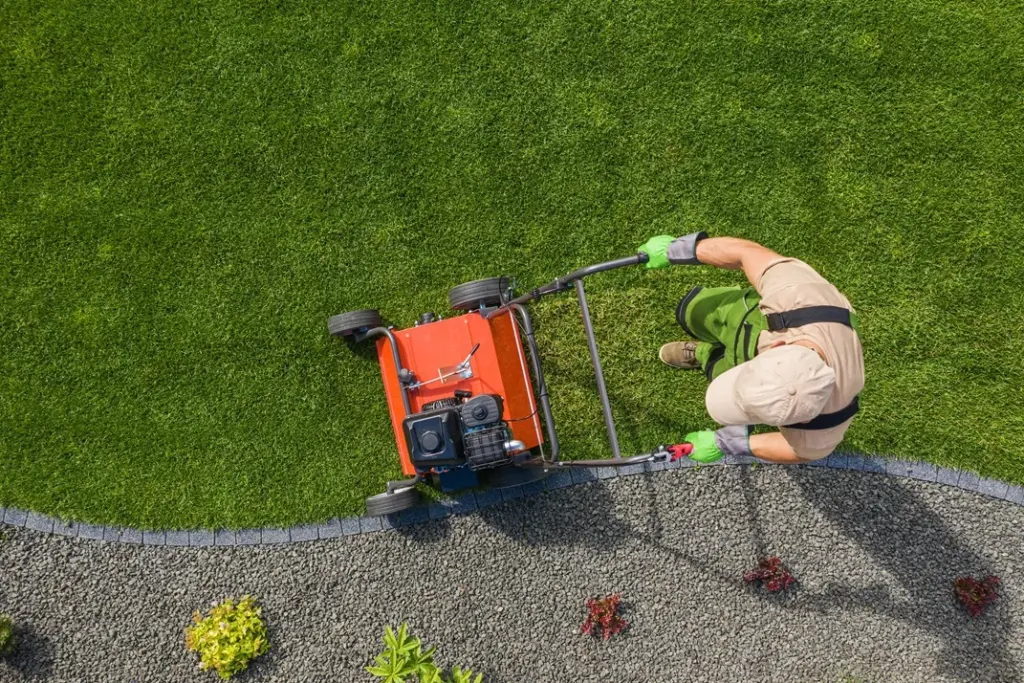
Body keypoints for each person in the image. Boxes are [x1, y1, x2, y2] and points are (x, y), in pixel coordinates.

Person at [637, 233, 864, 465]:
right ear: (776, 345)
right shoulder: (799, 295)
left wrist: (728, 443)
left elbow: (799, 452)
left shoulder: (823, 428)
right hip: (759, 319)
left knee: (718, 368)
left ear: (805, 420)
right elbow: (746, 253)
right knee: (692, 312)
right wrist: (680, 250)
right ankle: (702, 326)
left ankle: (703, 354)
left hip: (767, 338)